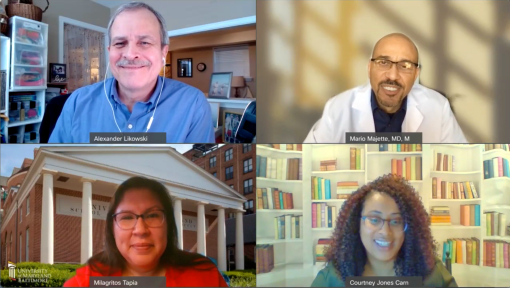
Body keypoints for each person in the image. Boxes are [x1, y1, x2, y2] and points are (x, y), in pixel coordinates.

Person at [49, 2, 214, 143]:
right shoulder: (77, 101)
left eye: (144, 42)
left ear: (163, 52)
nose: (129, 54)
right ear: (109, 51)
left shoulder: (193, 105)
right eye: (120, 43)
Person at [63, 177, 228, 287]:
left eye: (153, 215)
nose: (140, 230)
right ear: (112, 229)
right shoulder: (85, 282)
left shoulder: (205, 277)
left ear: (168, 225)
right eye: (126, 217)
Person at [304, 33, 467, 143]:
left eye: (405, 66)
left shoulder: (438, 107)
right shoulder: (338, 108)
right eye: (383, 63)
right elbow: (306, 164)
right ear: (369, 68)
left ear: (416, 73)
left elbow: (461, 165)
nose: (393, 76)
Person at [312, 174, 457, 287]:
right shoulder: (332, 279)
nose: (386, 232)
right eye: (374, 219)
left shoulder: (432, 275)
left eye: (396, 221)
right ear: (357, 223)